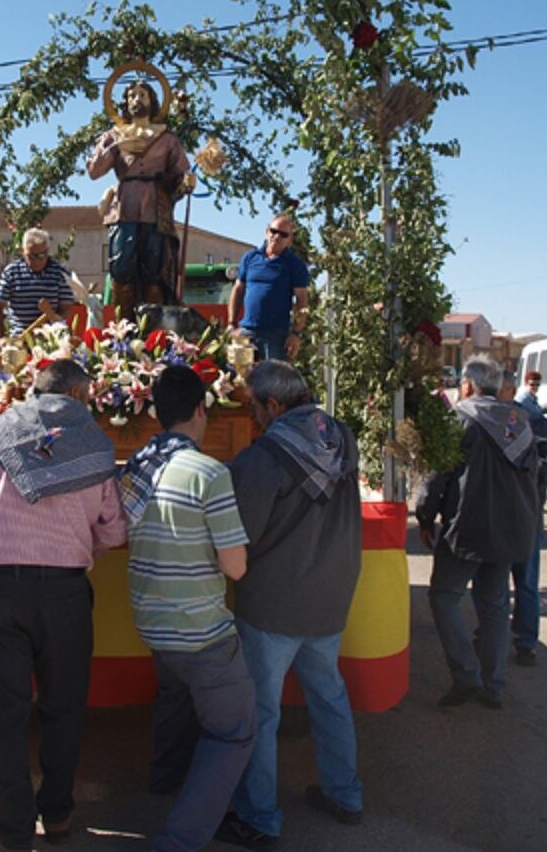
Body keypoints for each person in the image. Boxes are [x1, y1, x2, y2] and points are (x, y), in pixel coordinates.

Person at [0, 360, 126, 852]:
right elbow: (114, 531)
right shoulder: (97, 446)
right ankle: (59, 814)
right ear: (80, 396)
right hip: (65, 593)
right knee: (63, 709)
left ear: (31, 390)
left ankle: (13, 834)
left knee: (5, 716)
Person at [219, 360, 364, 847]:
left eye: (254, 406)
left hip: (274, 605)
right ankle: (345, 793)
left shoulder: (262, 459)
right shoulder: (341, 434)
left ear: (274, 405)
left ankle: (259, 815)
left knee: (261, 712)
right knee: (329, 695)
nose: (252, 416)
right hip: (332, 594)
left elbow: (239, 536)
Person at [120, 365, 254, 852]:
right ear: (202, 409)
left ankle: (165, 779)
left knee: (174, 697)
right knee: (233, 732)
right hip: (202, 632)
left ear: (154, 411)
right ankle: (180, 839)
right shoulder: (210, 473)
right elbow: (235, 567)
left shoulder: (137, 467)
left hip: (152, 625)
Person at [415, 355, 540, 709]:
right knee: (495, 606)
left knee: (444, 596)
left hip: (468, 527)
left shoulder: (462, 418)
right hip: (511, 529)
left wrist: (425, 517)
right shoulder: (520, 422)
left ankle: (466, 675)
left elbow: (437, 476)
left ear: (467, 385)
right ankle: (494, 686)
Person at [86, 78, 192, 320]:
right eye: (132, 96)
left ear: (153, 101)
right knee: (121, 269)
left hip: (156, 210)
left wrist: (184, 183)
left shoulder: (167, 138)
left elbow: (181, 175)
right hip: (125, 209)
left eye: (142, 95)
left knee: (154, 271)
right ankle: (124, 330)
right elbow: (94, 171)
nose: (136, 100)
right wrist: (117, 146)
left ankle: (153, 330)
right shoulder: (113, 135)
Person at [496, 368, 547, 669]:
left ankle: (526, 642)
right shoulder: (490, 420)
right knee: (494, 581)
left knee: (525, 581)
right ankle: (492, 635)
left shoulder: (530, 419)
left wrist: (530, 478)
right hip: (498, 515)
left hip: (527, 515)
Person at [226, 215, 311, 362]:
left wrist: (296, 333)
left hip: (275, 336)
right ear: (267, 231)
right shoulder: (250, 258)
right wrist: (231, 323)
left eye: (283, 234)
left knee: (273, 382)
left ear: (290, 240)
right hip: (245, 332)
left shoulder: (295, 265)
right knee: (241, 381)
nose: (276, 237)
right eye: (274, 231)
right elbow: (238, 290)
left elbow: (302, 300)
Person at [0, 228, 75, 342]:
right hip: (19, 340)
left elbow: (66, 310)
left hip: (51, 340)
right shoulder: (11, 272)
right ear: (23, 251)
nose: (37, 261)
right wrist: (1, 337)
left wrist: (51, 315)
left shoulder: (60, 273)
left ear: (48, 251)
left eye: (42, 255)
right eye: (32, 256)